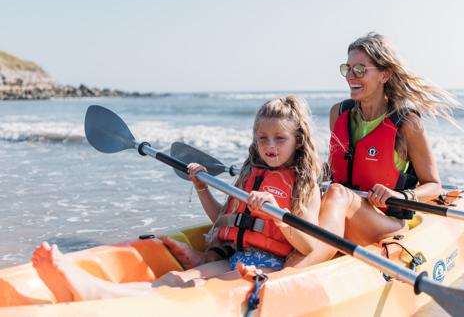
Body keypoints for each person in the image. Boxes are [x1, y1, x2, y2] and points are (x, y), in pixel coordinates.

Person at [31, 95, 322, 302]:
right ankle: (97, 291)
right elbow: (223, 218)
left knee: (200, 288)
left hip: (269, 267)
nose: (269, 146)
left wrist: (276, 215)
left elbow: (309, 245)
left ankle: (102, 297)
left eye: (279, 138)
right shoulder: (249, 173)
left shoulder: (305, 184)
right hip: (235, 257)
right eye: (262, 138)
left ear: (298, 140)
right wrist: (201, 187)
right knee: (177, 279)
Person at [286, 32, 463, 268]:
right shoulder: (338, 114)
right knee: (321, 193)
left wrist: (401, 196)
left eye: (360, 70)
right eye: (347, 69)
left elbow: (434, 186)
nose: (350, 76)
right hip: (343, 214)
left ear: (384, 74)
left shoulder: (408, 124)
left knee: (338, 193)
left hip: (386, 223)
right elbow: (335, 166)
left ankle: (288, 273)